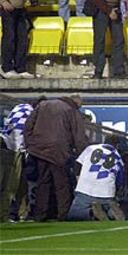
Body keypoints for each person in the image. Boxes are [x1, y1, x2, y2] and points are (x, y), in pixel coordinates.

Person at [24, 94, 89, 222]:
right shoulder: (71, 110)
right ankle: (63, 214)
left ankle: (39, 215)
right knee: (62, 185)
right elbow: (79, 136)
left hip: (40, 150)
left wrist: (31, 144)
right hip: (59, 151)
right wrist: (84, 154)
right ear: (76, 103)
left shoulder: (43, 105)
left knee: (43, 183)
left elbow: (28, 126)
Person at [67, 136, 126, 221]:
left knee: (73, 215)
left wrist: (78, 181)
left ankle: (91, 212)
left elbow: (77, 166)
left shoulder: (90, 148)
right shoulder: (118, 157)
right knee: (106, 206)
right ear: (117, 146)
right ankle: (111, 212)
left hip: (85, 189)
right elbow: (120, 181)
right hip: (106, 193)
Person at [91, 0, 128, 79]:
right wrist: (108, 10)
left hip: (116, 8)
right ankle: (98, 71)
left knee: (119, 40)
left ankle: (119, 71)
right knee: (100, 41)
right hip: (101, 10)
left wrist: (125, 2)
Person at [0, 0, 35, 79]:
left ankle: (21, 68)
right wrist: (3, 1)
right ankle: (6, 67)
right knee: (10, 37)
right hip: (8, 8)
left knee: (22, 38)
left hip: (20, 6)